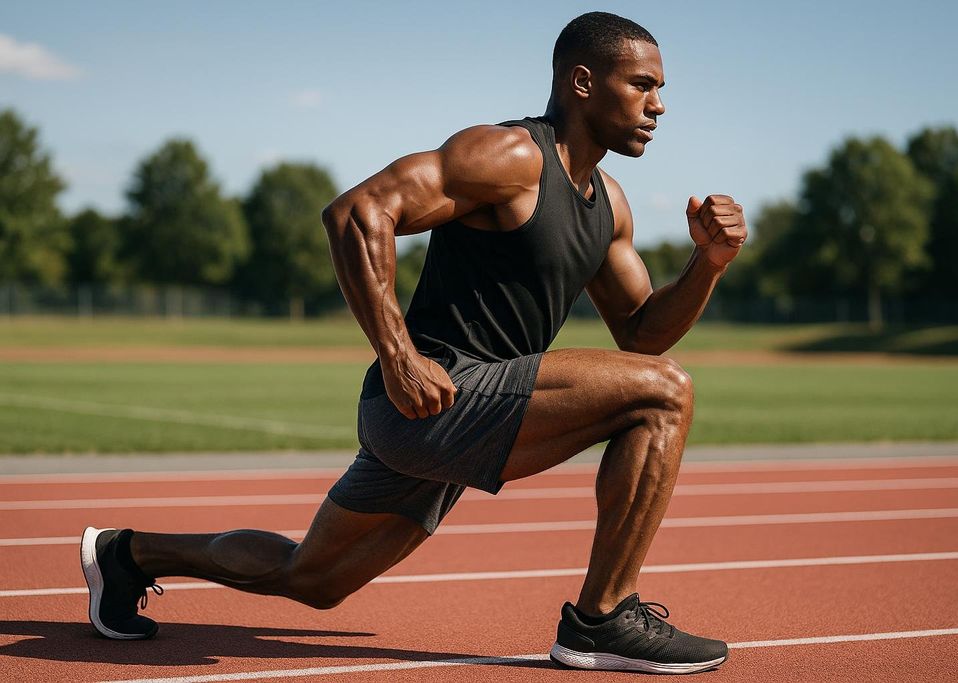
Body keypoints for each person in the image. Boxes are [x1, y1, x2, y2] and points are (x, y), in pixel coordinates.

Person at [80, 11, 746, 675]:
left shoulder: (611, 205)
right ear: (581, 81)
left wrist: (707, 263)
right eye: (641, 84)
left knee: (313, 575)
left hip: (452, 411)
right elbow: (358, 211)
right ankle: (602, 618)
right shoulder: (512, 156)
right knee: (666, 395)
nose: (658, 104)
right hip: (430, 392)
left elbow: (642, 333)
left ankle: (128, 554)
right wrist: (397, 354)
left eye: (658, 88)